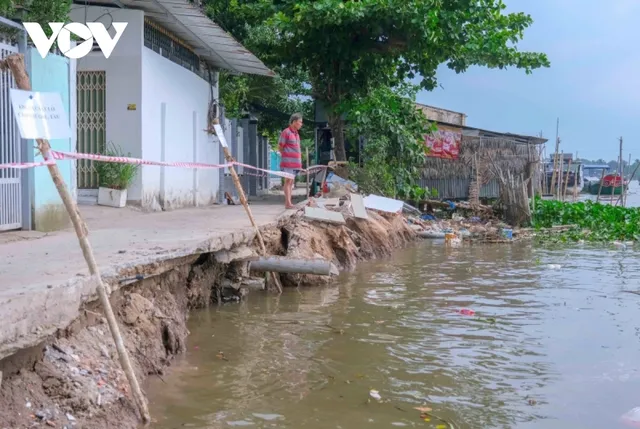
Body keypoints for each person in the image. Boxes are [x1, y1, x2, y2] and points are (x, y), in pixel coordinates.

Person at [279, 113, 303, 209]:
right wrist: (286, 157)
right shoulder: (286, 132)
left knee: (291, 182)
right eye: (300, 122)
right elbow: (280, 147)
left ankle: (289, 203)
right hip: (288, 163)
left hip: (296, 164)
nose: (301, 124)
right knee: (288, 181)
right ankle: (288, 203)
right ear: (294, 122)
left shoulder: (297, 134)